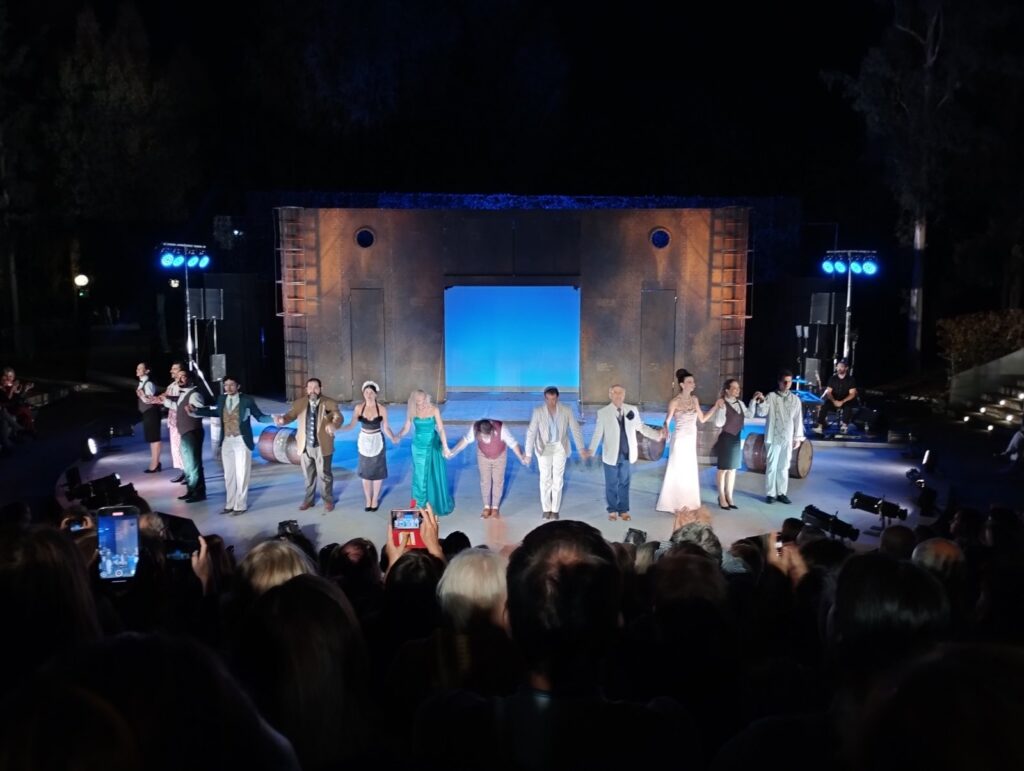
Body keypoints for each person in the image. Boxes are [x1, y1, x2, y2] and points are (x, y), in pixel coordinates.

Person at [189, 376, 273, 515]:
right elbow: (216, 412)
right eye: (226, 385)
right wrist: (197, 411)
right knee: (229, 475)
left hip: (241, 440)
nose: (228, 388)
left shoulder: (246, 400)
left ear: (238, 386)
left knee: (242, 474)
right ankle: (230, 504)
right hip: (227, 440)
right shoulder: (222, 399)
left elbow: (259, 416)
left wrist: (275, 419)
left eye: (231, 385)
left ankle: (240, 505)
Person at [589, 384, 664, 522]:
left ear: (624, 395)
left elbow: (641, 427)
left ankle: (623, 510)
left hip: (627, 454)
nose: (618, 396)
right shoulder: (603, 412)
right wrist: (591, 450)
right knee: (611, 484)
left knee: (624, 482)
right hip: (610, 454)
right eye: (615, 393)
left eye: (621, 393)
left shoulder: (632, 410)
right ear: (610, 395)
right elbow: (598, 433)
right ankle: (612, 510)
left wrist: (657, 435)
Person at [275, 378, 344, 513]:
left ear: (321, 388)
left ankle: (328, 500)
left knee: (325, 475)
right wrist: (282, 420)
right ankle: (308, 500)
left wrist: (333, 424)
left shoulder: (329, 403)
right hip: (305, 446)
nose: (313, 390)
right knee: (308, 476)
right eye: (310, 387)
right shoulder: (299, 403)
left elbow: (338, 417)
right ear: (306, 389)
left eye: (316, 387)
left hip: (322, 446)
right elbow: (290, 416)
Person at [524, 386, 588, 520]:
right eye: (548, 399)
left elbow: (575, 429)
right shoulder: (538, 411)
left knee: (558, 478)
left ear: (557, 398)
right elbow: (531, 432)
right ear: (545, 398)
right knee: (545, 478)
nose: (551, 402)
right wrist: (528, 453)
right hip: (544, 447)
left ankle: (555, 509)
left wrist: (581, 448)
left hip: (560, 447)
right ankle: (546, 509)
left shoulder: (566, 410)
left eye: (553, 399)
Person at [656, 368, 712, 514]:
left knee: (689, 471)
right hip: (680, 439)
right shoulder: (674, 402)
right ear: (682, 385)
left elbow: (702, 419)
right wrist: (665, 429)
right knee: (677, 470)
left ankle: (689, 503)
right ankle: (673, 503)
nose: (693, 384)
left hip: (691, 439)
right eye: (689, 382)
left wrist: (716, 408)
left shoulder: (695, 400)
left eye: (693, 382)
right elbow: (667, 420)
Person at [447, 418, 526, 518]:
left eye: (488, 436)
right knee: (485, 481)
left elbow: (513, 444)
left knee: (498, 481)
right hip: (483, 455)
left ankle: (495, 507)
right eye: (483, 436)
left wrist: (521, 457)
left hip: (500, 456)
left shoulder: (501, 428)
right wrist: (453, 452)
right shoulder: (475, 427)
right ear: (479, 432)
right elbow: (465, 440)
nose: (485, 439)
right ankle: (487, 506)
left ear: (492, 430)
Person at [340, 381, 396, 512]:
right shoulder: (359, 408)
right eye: (366, 392)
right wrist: (338, 429)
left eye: (371, 392)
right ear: (363, 393)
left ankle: (375, 499)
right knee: (365, 472)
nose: (369, 395)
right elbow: (351, 425)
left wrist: (393, 437)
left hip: (377, 440)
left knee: (378, 472)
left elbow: (386, 427)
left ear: (376, 394)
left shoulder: (381, 409)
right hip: (364, 441)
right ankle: (368, 499)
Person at [708, 378, 763, 510]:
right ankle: (721, 497)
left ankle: (729, 496)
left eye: (738, 388)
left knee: (732, 469)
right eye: (734, 388)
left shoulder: (740, 403)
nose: (738, 390)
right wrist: (721, 409)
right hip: (726, 438)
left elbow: (749, 415)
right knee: (723, 469)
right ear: (727, 390)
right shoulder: (722, 403)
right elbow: (719, 423)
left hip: (736, 439)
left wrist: (753, 401)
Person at [397, 389, 453, 515]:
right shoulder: (412, 410)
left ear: (426, 398)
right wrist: (398, 435)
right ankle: (418, 504)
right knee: (419, 476)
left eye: (423, 401)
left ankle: (427, 504)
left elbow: (441, 429)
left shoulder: (434, 410)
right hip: (417, 446)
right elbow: (406, 427)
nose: (421, 404)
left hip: (431, 444)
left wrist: (445, 446)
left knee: (431, 474)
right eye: (418, 402)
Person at [754, 369, 805, 504]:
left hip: (787, 437)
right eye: (784, 382)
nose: (787, 384)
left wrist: (797, 438)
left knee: (784, 466)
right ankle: (771, 494)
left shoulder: (795, 400)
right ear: (779, 382)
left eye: (789, 381)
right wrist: (762, 401)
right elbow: (761, 412)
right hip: (773, 437)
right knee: (772, 466)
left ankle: (782, 493)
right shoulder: (771, 396)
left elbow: (798, 419)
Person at [167, 368, 207, 503]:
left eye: (183, 377)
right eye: (178, 377)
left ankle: (198, 492)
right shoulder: (183, 394)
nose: (179, 379)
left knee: (193, 464)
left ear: (190, 379)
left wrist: (194, 410)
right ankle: (191, 490)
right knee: (188, 464)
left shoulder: (194, 395)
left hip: (192, 432)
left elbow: (200, 412)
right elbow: (177, 407)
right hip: (185, 432)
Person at [813, 357, 858, 434]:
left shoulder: (851, 379)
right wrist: (834, 401)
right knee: (824, 406)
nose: (839, 368)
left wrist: (842, 401)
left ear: (846, 368)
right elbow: (829, 392)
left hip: (845, 400)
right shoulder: (832, 378)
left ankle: (844, 426)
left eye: (841, 367)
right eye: (838, 366)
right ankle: (819, 426)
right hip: (834, 400)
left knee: (848, 406)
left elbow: (852, 394)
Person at [159, 361, 186, 483]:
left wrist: (166, 400)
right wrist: (150, 398)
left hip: (181, 420)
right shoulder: (171, 386)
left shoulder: (183, 387)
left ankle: (188, 472)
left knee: (183, 447)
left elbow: (179, 403)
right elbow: (163, 397)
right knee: (176, 448)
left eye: (174, 369)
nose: (171, 371)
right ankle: (183, 471)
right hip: (173, 421)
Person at [135, 362, 163, 473]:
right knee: (152, 438)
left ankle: (155, 465)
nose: (137, 370)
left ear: (147, 371)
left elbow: (150, 400)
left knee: (154, 438)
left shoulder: (148, 383)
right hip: (147, 412)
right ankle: (155, 463)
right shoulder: (142, 383)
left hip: (151, 412)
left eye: (140, 368)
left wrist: (141, 395)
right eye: (137, 368)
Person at [0, 366, 35, 436]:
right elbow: (7, 399)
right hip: (7, 408)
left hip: (13, 407)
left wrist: (25, 389)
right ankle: (26, 431)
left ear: (13, 377)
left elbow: (18, 397)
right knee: (23, 410)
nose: (8, 378)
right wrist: (12, 389)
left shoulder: (11, 385)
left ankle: (28, 431)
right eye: (5, 376)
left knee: (25, 411)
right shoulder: (2, 387)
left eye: (10, 376)